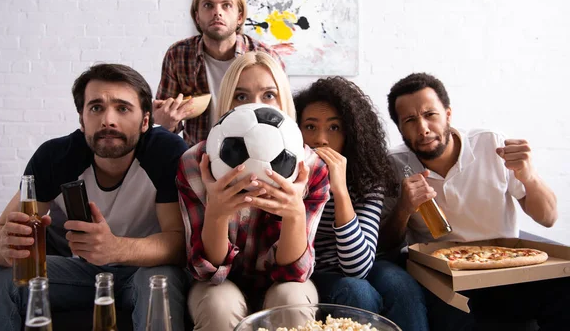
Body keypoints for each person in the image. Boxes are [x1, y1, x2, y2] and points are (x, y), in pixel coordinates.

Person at [0, 64, 190, 331]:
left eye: (122, 108)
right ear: (82, 119)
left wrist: (115, 248)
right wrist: (5, 247)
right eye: (96, 107)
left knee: (159, 281)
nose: (108, 120)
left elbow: (179, 242)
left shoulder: (165, 152)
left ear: (145, 121)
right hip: (84, 273)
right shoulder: (55, 157)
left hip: (148, 269)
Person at [382, 72, 568, 330]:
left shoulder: (491, 144)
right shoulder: (394, 164)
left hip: (505, 272)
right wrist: (403, 208)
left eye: (430, 115)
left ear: (448, 114)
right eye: (410, 120)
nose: (423, 128)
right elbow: (386, 245)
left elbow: (548, 218)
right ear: (400, 128)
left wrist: (529, 176)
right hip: (443, 278)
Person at [177, 52, 330, 331]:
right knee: (218, 305)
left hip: (282, 283)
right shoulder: (194, 163)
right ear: (226, 103)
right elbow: (206, 270)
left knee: (292, 301)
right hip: (221, 285)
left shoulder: (312, 167)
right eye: (241, 96)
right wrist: (217, 212)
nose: (255, 106)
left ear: (284, 102)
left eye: (269, 95)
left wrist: (295, 213)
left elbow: (294, 273)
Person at [294, 77, 428, 331]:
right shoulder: (287, 175)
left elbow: (358, 265)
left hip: (363, 261)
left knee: (401, 286)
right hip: (315, 271)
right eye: (310, 127)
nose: (321, 139)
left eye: (334, 128)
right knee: (355, 291)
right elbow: (353, 277)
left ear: (351, 133)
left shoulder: (367, 176)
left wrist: (340, 189)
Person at [155, 0, 285, 147]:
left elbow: (283, 116)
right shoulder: (178, 55)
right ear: (197, 17)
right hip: (198, 154)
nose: (217, 12)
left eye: (226, 5)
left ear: (239, 16)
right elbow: (167, 119)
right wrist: (166, 121)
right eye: (208, 5)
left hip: (254, 151)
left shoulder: (266, 57)